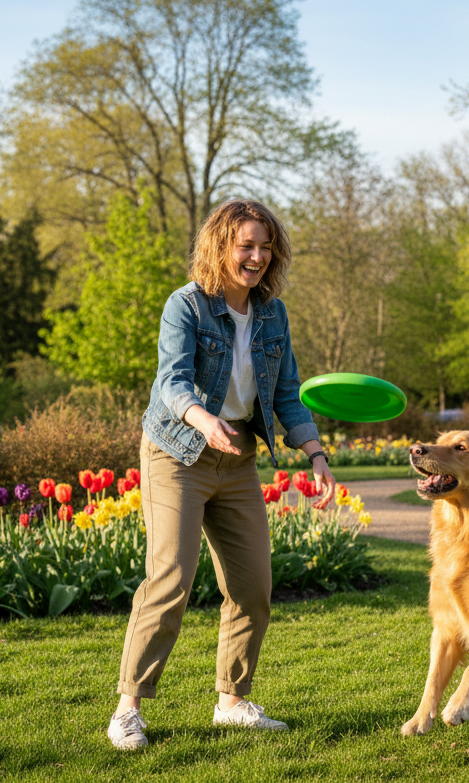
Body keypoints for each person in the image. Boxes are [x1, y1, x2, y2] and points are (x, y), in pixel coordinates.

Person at [107, 198, 336, 751]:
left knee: (253, 585)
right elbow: (173, 380)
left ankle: (232, 701)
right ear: (221, 246)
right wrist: (203, 419)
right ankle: (128, 708)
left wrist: (317, 455)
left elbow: (286, 395)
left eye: (265, 247)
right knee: (171, 579)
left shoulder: (273, 314)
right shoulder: (185, 305)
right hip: (178, 452)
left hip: (236, 458)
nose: (256, 256)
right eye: (246, 245)